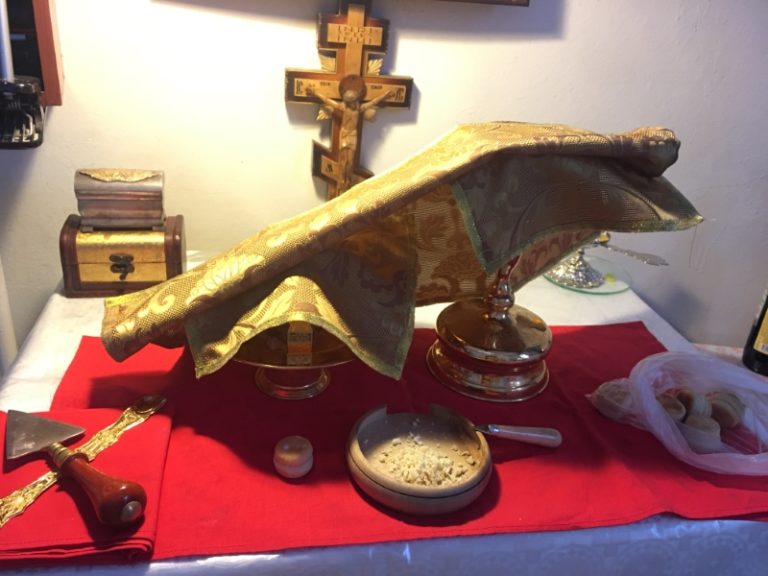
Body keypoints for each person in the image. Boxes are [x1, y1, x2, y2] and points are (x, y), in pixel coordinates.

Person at [307, 75, 393, 193]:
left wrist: (385, 96)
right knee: (343, 161)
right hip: (344, 134)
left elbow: (374, 102)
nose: (352, 104)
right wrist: (315, 93)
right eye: (350, 102)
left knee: (350, 162)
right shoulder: (343, 108)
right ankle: (341, 180)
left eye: (353, 102)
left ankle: (348, 180)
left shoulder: (360, 109)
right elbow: (327, 101)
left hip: (353, 135)